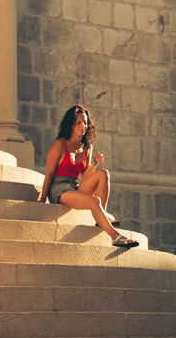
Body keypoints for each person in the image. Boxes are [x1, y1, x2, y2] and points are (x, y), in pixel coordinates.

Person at [38, 104, 139, 249]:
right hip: (58, 189)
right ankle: (116, 237)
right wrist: (42, 198)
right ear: (71, 125)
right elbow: (50, 173)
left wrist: (95, 162)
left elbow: (85, 175)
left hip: (74, 185)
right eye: (78, 122)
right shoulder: (60, 144)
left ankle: (101, 218)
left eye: (85, 122)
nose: (83, 126)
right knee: (94, 201)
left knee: (103, 173)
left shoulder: (86, 147)